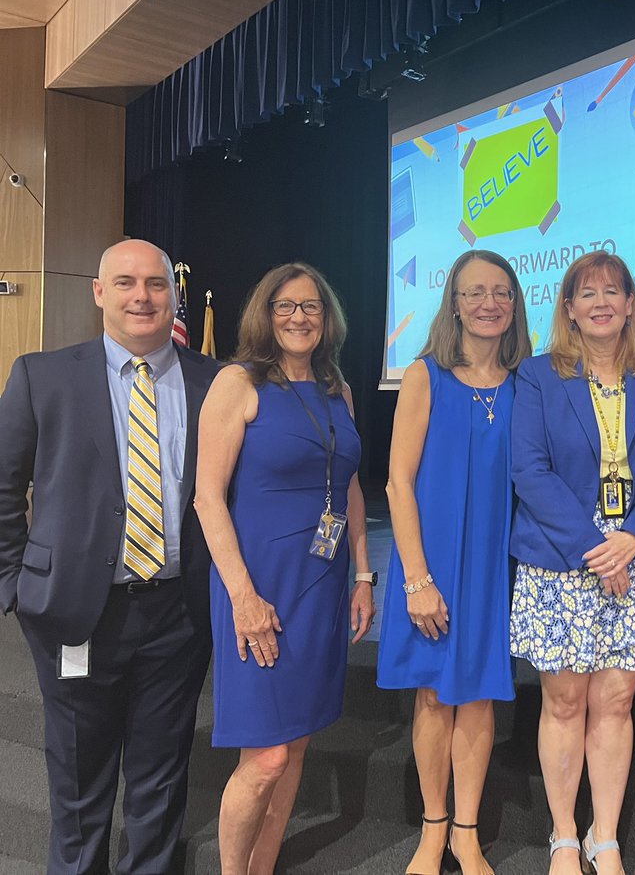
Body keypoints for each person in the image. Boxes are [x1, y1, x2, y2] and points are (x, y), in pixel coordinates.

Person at [0, 239, 221, 874]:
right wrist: (16, 586)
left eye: (155, 284)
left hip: (178, 618)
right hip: (73, 615)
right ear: (99, 292)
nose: (142, 297)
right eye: (125, 283)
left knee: (160, 781)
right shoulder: (42, 376)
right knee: (76, 786)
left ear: (174, 295)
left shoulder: (216, 381)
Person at [509, 250, 635, 875]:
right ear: (569, 309)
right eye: (588, 293)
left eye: (614, 291)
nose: (602, 301)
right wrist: (598, 546)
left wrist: (633, 537)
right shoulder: (537, 375)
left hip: (632, 560)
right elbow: (529, 471)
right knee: (563, 703)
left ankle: (602, 836)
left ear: (633, 305)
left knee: (615, 703)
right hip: (562, 560)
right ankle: (563, 835)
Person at [194, 261, 375, 875]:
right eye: (286, 306)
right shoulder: (238, 382)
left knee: (295, 746)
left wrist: (362, 573)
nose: (300, 317)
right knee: (265, 757)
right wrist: (244, 597)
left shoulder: (337, 390)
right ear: (265, 316)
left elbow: (347, 485)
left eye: (312, 307)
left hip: (320, 586)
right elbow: (207, 497)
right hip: (259, 584)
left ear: (328, 319)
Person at [377, 249, 532, 875]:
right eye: (475, 292)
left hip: (495, 562)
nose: (489, 302)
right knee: (436, 698)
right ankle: (433, 828)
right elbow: (396, 483)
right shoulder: (425, 375)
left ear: (516, 304)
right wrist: (416, 579)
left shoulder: (528, 382)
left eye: (500, 291)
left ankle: (467, 833)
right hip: (432, 563)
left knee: (481, 698)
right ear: (454, 303)